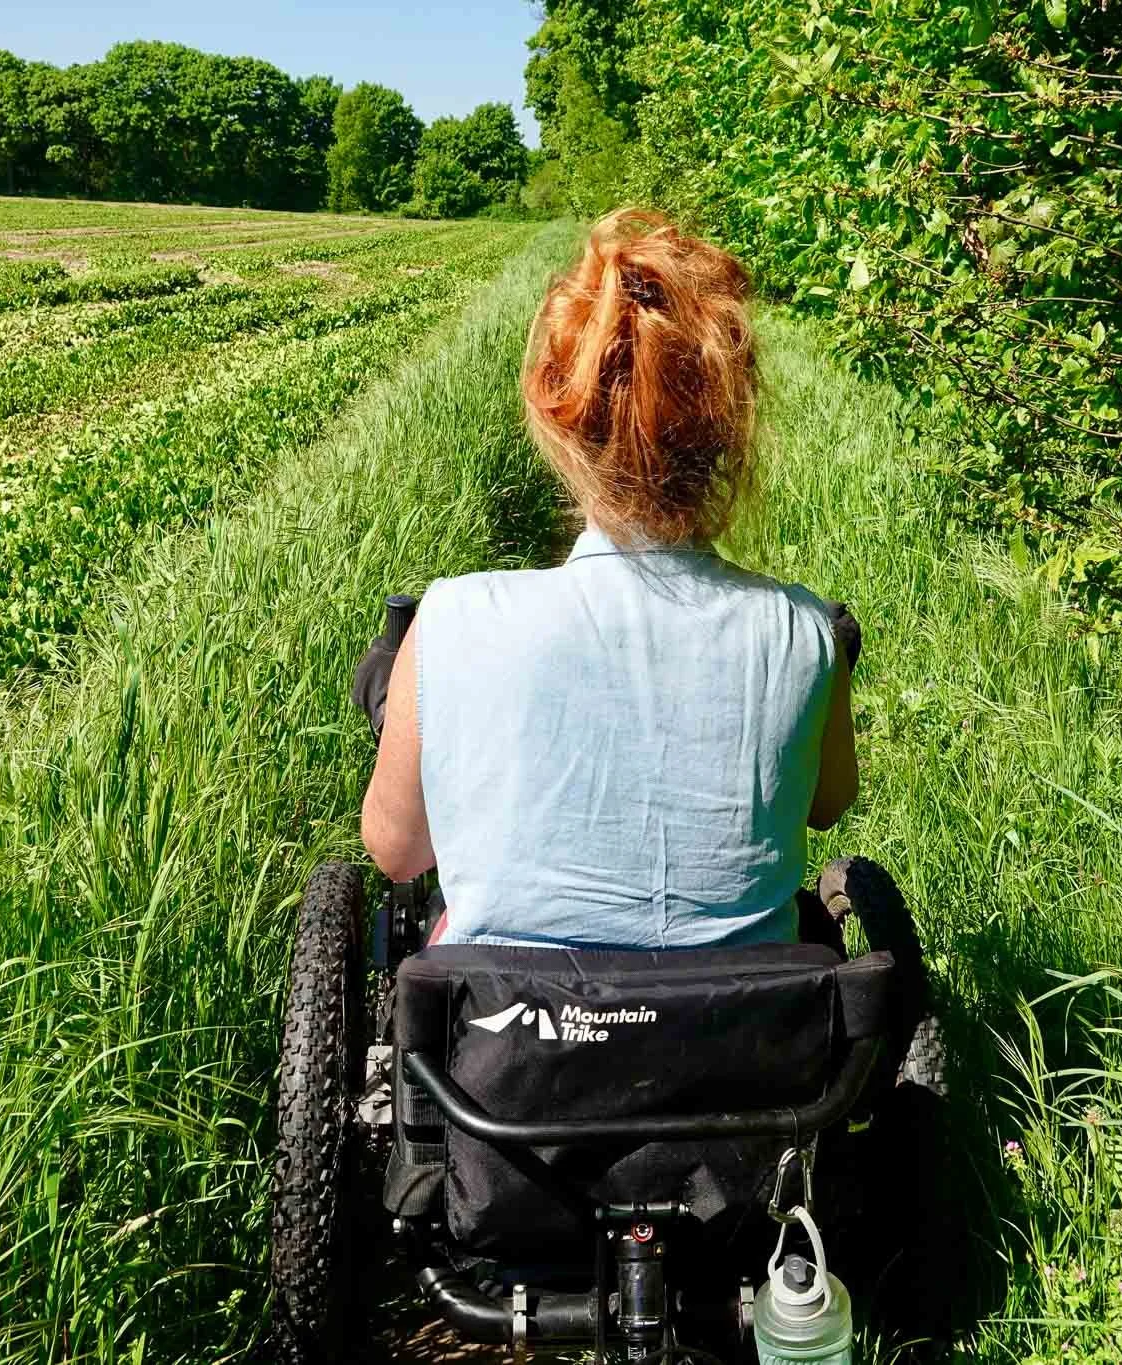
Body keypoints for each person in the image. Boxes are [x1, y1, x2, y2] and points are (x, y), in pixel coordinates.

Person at [355, 207, 857, 950]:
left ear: (560, 419)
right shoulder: (801, 631)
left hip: (508, 1053)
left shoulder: (456, 617)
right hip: (749, 1051)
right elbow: (828, 801)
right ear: (729, 426)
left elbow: (397, 851)